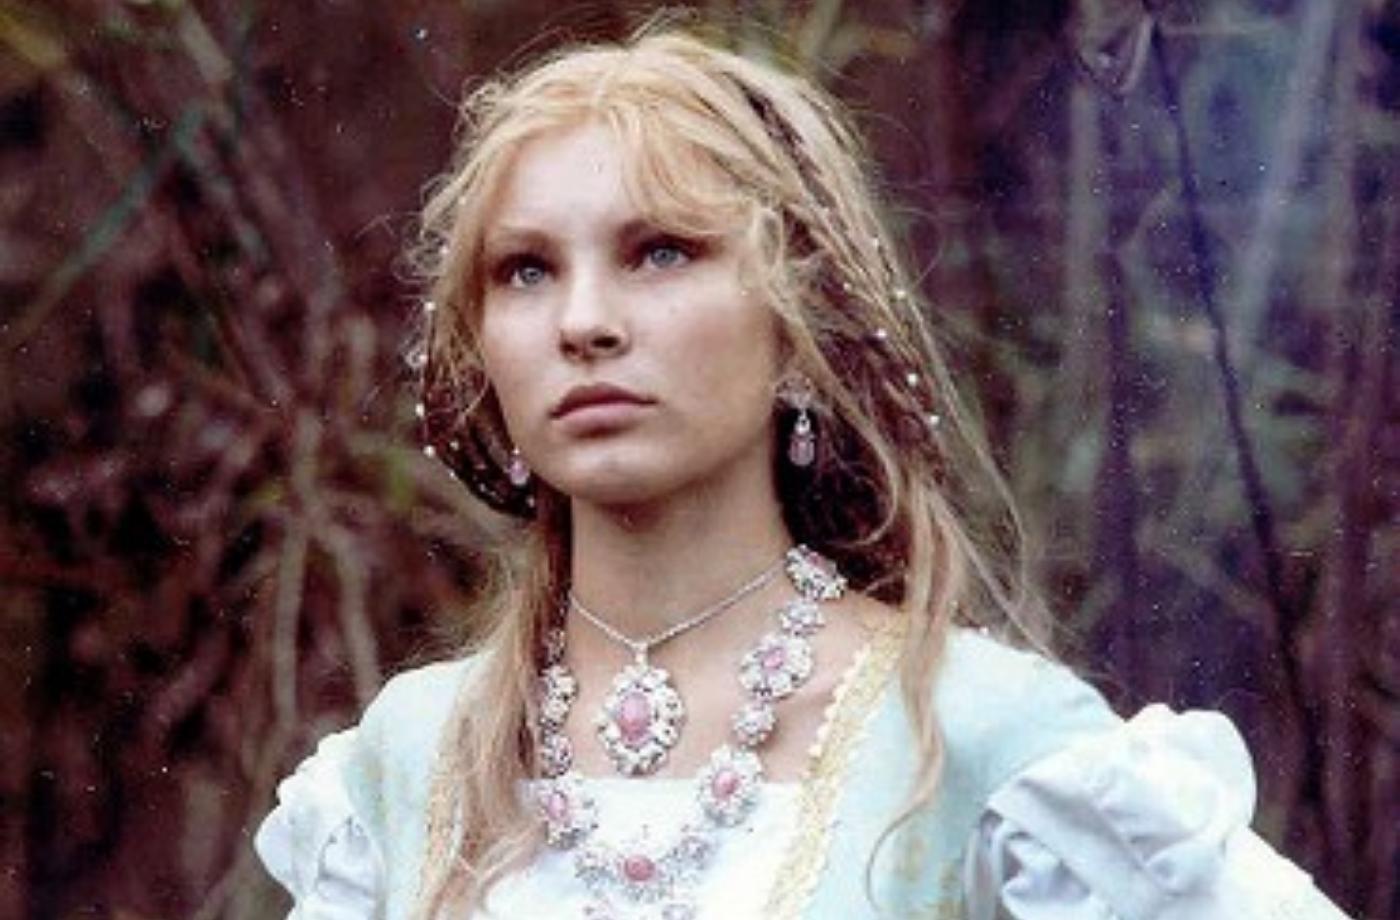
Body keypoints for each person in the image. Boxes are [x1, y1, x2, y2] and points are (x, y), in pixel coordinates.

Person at [254, 25, 1350, 920]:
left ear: (797, 324)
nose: (583, 322)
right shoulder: (405, 765)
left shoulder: (981, 738)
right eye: (526, 270)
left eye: (662, 251)